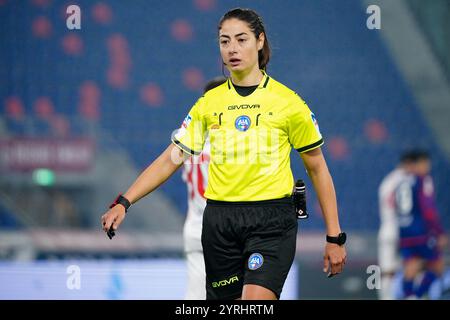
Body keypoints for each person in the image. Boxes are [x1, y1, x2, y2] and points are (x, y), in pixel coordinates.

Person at [101, 7, 346, 300]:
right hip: (220, 222)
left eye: (241, 40)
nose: (232, 48)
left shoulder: (288, 103)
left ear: (260, 41)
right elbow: (171, 159)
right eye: (224, 41)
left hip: (271, 222)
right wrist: (124, 202)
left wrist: (334, 237)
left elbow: (317, 168)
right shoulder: (208, 104)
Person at [378, 150, 447, 299]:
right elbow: (428, 208)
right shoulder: (420, 179)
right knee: (437, 264)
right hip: (417, 229)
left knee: (396, 269)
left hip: (397, 228)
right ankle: (418, 294)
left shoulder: (390, 181)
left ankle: (402, 296)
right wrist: (439, 231)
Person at [182, 77, 227, 300]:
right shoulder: (231, 144)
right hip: (225, 232)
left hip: (194, 230)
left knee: (196, 298)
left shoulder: (189, 140)